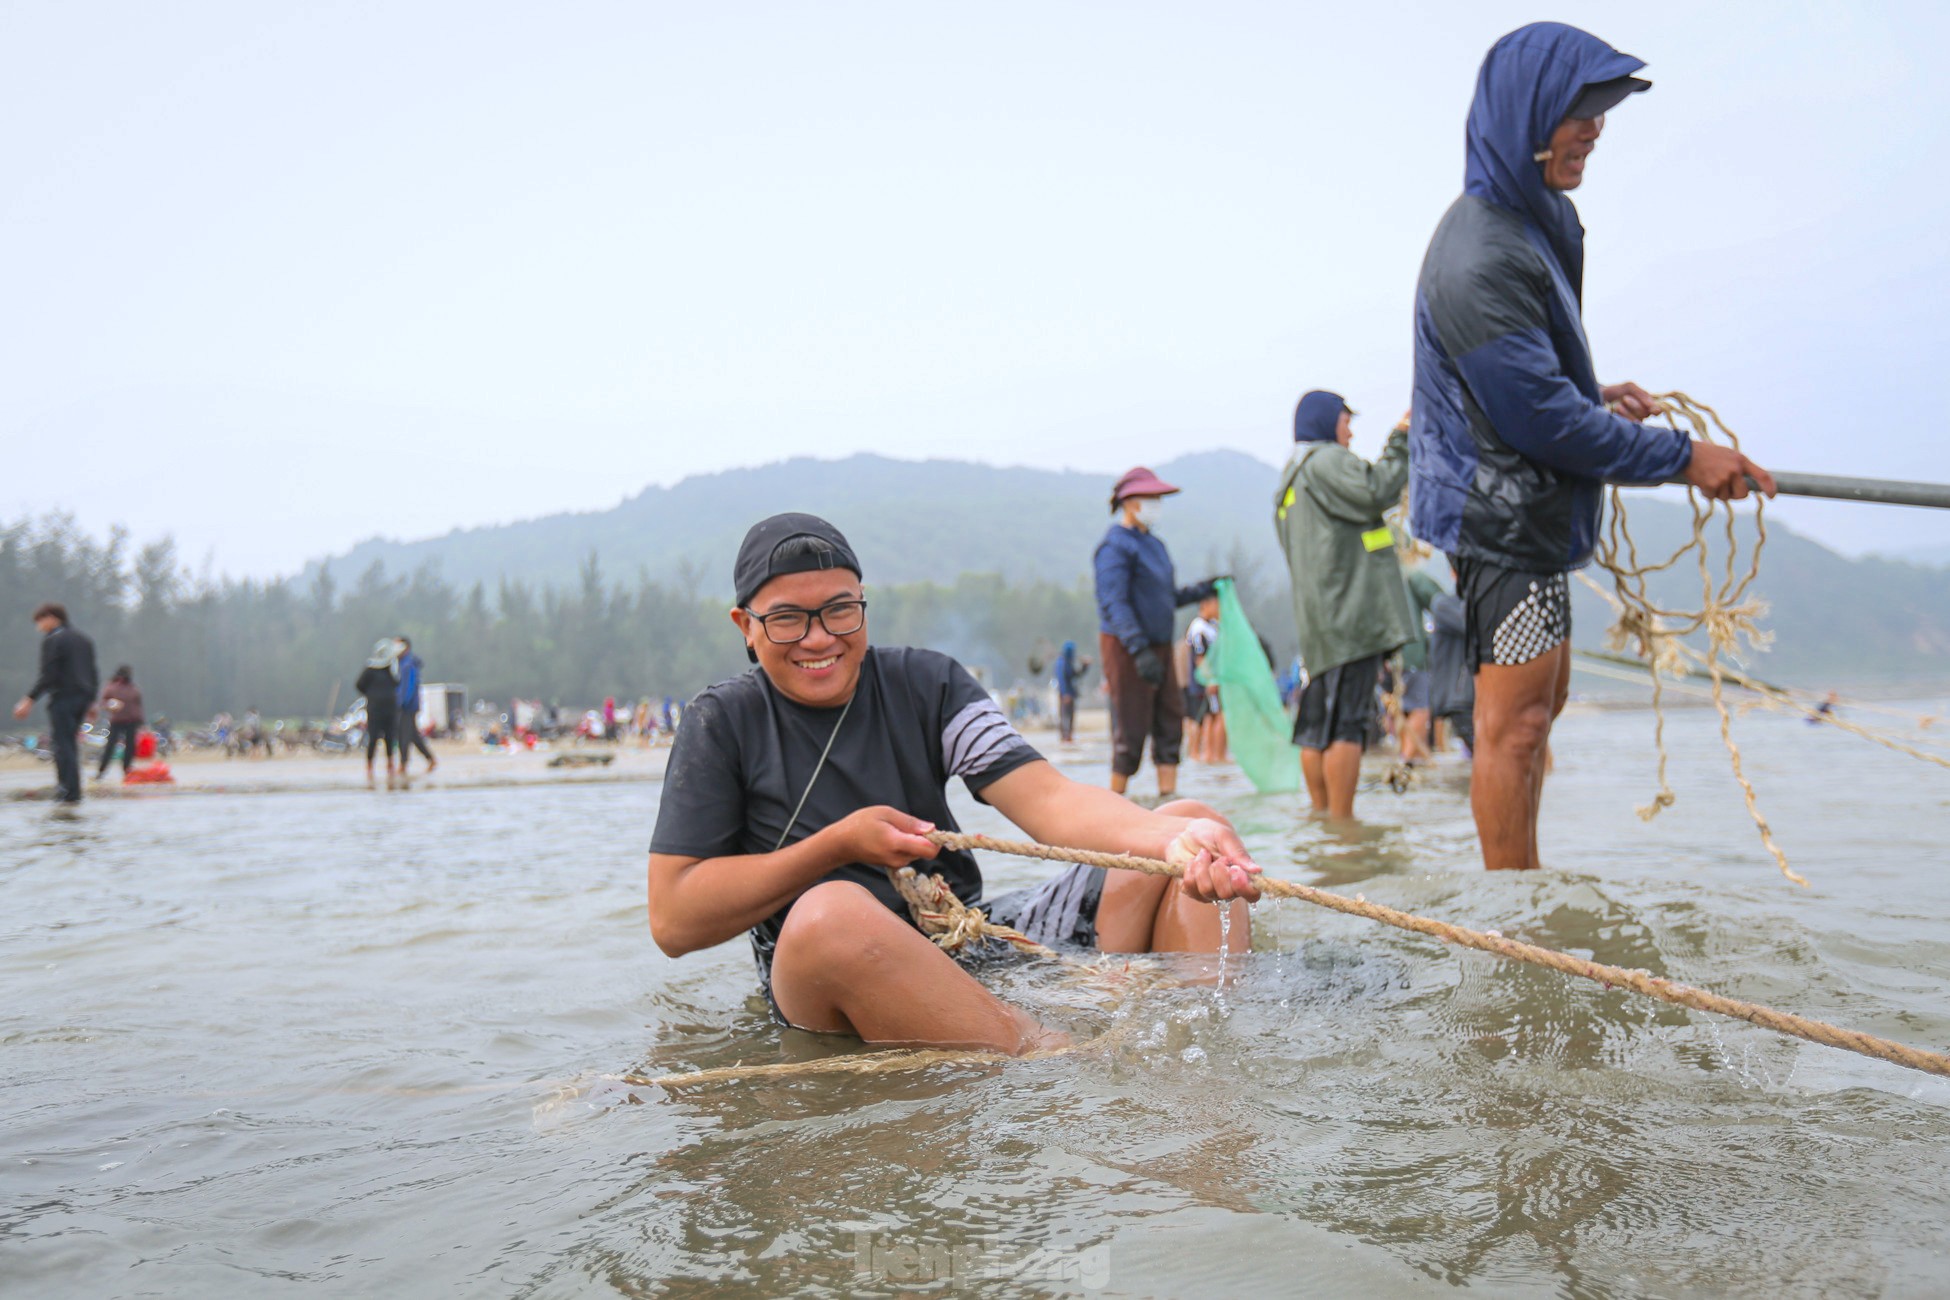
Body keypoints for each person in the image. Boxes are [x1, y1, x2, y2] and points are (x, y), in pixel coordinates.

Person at [648, 512, 1260, 1053]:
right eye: (786, 619)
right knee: (829, 913)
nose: (819, 638)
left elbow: (1048, 799)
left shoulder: (929, 683)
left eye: (840, 610)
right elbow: (673, 920)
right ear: (745, 626)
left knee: (1190, 820)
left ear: (864, 604)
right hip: (835, 977)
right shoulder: (720, 721)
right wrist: (835, 847)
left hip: (972, 941)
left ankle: (1203, 1046)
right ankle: (1051, 1057)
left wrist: (1174, 839)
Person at [1409, 22, 1775, 870]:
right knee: (1514, 727)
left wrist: (1592, 389)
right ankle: (1510, 927)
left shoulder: (1533, 221)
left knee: (1544, 710)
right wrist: (1689, 457)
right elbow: (1544, 422)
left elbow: (1532, 384)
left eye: (1603, 111)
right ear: (1527, 116)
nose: (1597, 128)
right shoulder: (1479, 254)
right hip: (1498, 518)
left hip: (1530, 508)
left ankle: (1524, 893)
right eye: (1582, 110)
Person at [1274, 392, 1418, 820]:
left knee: (1316, 727)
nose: (1350, 432)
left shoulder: (1289, 480)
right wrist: (1401, 439)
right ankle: (1343, 826)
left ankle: (1322, 820)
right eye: (1345, 421)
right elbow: (1376, 489)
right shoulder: (1326, 461)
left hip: (1319, 625)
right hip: (1351, 618)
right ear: (1325, 422)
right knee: (1347, 725)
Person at [1092, 468, 1219, 801]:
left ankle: (1168, 797)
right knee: (1130, 725)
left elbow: (1165, 597)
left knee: (1169, 720)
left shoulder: (1155, 545)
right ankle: (1115, 801)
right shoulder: (1114, 546)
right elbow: (1114, 603)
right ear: (1131, 503)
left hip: (1161, 645)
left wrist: (1202, 590)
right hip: (1127, 647)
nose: (1156, 504)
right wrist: (1137, 648)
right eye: (1151, 499)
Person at [13, 603, 100, 804]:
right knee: (71, 743)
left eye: (40, 621)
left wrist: (29, 699)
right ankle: (74, 790)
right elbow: (93, 673)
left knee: (62, 744)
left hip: (63, 696)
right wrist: (92, 701)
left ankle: (67, 792)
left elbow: (49, 674)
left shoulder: (53, 639)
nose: (39, 626)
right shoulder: (83, 639)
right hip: (83, 696)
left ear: (51, 617)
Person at [1397, 567, 1445, 764]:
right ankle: (1406, 762)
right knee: (1419, 709)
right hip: (1412, 655)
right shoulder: (1412, 578)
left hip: (1384, 655)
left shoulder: (1374, 578)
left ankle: (1408, 759)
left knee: (1399, 710)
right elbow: (1441, 604)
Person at [1184, 594, 1226, 763]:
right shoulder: (1199, 628)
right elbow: (1199, 658)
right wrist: (1210, 679)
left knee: (1211, 716)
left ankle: (1213, 754)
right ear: (1206, 605)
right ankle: (1207, 754)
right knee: (1208, 717)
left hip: (1214, 680)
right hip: (1204, 682)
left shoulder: (1214, 626)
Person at [355, 638, 403, 785]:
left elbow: (397, 682)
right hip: (375, 710)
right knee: (373, 738)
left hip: (390, 710)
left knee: (390, 739)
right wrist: (372, 695)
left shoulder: (390, 669)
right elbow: (359, 685)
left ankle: (390, 766)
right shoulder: (369, 670)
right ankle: (370, 768)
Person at [93, 665, 145, 780]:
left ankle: (126, 771)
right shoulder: (116, 687)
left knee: (129, 747)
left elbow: (138, 705)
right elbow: (104, 702)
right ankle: (102, 771)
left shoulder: (129, 688)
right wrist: (110, 705)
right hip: (118, 720)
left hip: (131, 720)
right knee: (112, 746)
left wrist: (141, 721)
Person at [396, 636, 438, 774]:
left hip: (408, 706)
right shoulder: (400, 663)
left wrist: (401, 703)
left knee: (404, 734)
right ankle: (430, 759)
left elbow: (409, 687)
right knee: (413, 735)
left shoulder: (409, 664)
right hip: (405, 704)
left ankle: (403, 764)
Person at [1052, 639, 1091, 745]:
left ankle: (1069, 736)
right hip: (1065, 694)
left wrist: (1085, 666)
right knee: (1065, 716)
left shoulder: (1068, 662)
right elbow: (1061, 679)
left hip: (1071, 693)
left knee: (1070, 716)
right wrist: (1065, 694)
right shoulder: (1061, 662)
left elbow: (1075, 675)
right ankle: (1065, 737)